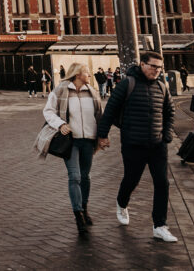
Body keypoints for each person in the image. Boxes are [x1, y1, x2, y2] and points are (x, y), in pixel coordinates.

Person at [96, 51, 178, 243]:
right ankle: (121, 203)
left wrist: (166, 134)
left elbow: (170, 112)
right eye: (153, 66)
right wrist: (102, 136)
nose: (156, 70)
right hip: (133, 144)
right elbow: (109, 111)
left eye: (159, 67)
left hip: (157, 145)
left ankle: (160, 226)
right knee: (132, 180)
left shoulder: (161, 86)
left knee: (162, 183)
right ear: (142, 64)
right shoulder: (127, 84)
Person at [43, 63, 103, 236]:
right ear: (78, 74)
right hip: (71, 141)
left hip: (89, 140)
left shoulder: (92, 92)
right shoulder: (61, 90)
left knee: (85, 177)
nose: (89, 76)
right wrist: (60, 124)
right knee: (75, 176)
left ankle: (84, 208)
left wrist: (102, 136)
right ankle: (78, 216)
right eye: (86, 73)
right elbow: (48, 111)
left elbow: (99, 115)